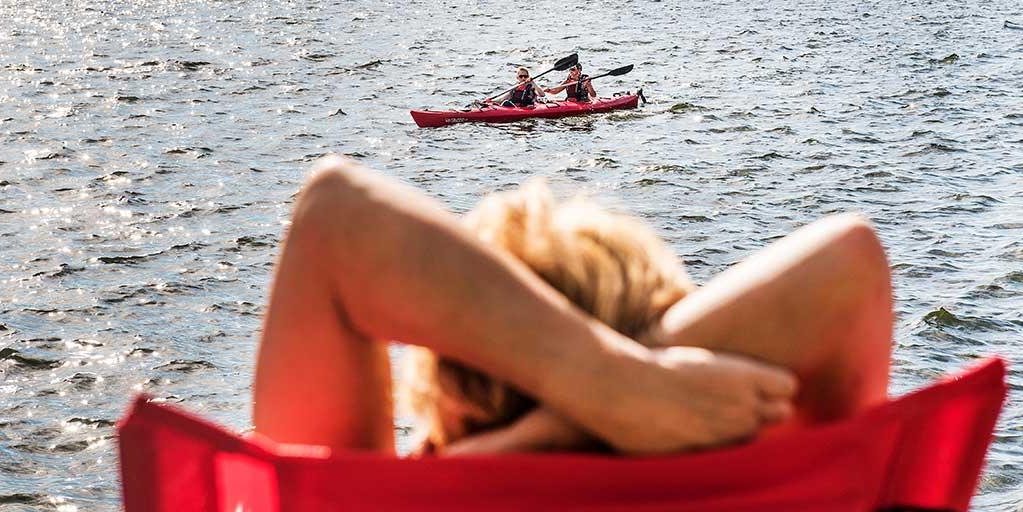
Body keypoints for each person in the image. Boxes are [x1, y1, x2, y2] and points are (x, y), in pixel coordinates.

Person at [253, 157, 893, 456]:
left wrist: (596, 379)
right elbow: (850, 263)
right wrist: (616, 400)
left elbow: (333, 214)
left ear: (451, 390)